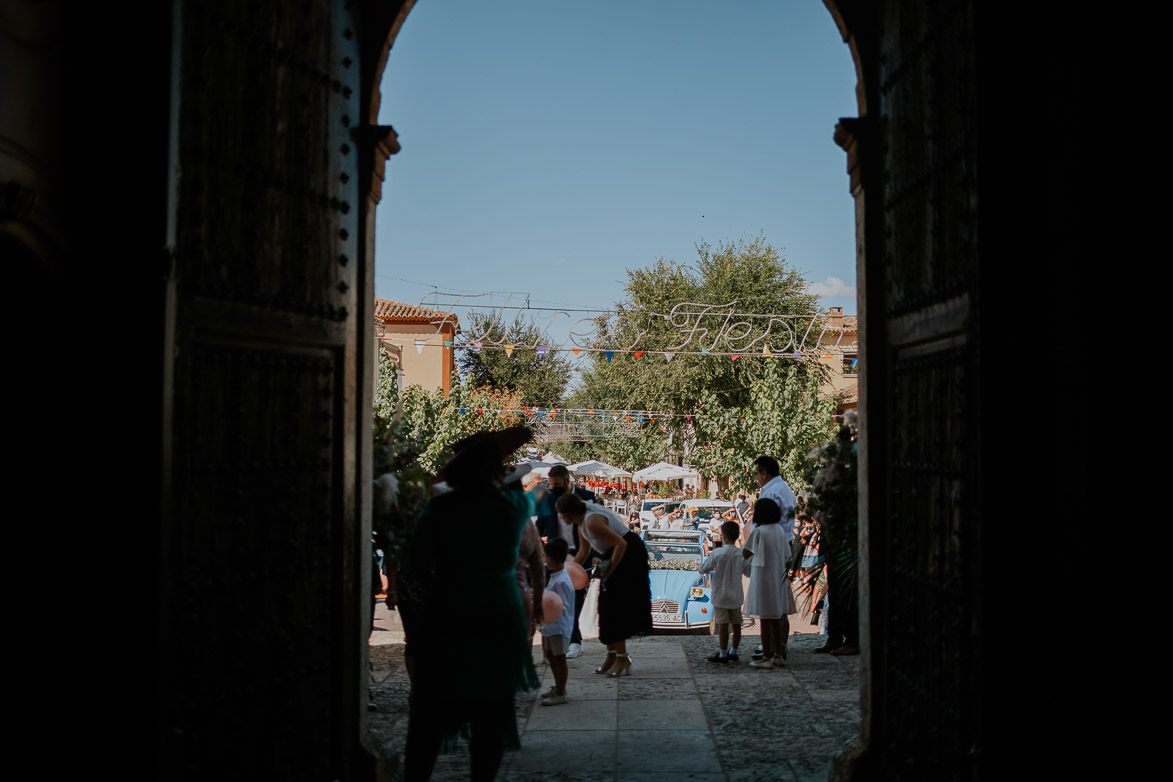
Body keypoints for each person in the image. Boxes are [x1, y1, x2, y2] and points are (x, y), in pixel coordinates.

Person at [404, 427, 540, 782]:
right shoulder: (512, 507)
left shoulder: (440, 508)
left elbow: (415, 565)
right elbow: (524, 490)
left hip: (448, 607)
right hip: (500, 608)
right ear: (495, 470)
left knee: (431, 707)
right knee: (492, 709)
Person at [555, 493, 652, 677]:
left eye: (561, 513)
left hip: (628, 556)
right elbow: (583, 552)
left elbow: (621, 543)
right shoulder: (581, 523)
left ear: (569, 513)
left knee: (614, 608)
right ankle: (612, 655)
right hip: (615, 554)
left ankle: (622, 658)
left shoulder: (592, 521)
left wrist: (610, 570)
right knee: (605, 608)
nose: (559, 517)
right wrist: (567, 573)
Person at [535, 464, 596, 659]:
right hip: (556, 553)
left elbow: (592, 531)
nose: (554, 488)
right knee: (557, 597)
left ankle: (575, 641)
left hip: (580, 552)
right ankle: (560, 641)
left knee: (576, 598)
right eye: (552, 485)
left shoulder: (586, 497)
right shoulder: (548, 499)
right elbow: (540, 526)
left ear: (568, 480)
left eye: (558, 485)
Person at [751, 456, 798, 661]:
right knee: (779, 597)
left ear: (764, 474)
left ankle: (772, 647)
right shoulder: (785, 488)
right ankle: (779, 645)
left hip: (772, 545)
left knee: (771, 600)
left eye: (756, 474)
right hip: (784, 543)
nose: (756, 479)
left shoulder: (771, 491)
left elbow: (765, 521)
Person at [743, 498, 790, 669]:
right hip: (778, 575)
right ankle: (778, 653)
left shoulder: (759, 531)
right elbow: (787, 555)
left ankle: (766, 656)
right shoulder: (779, 530)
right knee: (776, 616)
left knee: (764, 616)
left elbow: (746, 553)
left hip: (763, 576)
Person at [700, 521, 751, 665]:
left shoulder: (717, 553)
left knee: (722, 625)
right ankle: (734, 651)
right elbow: (748, 572)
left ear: (723, 536)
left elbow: (703, 568)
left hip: (721, 595)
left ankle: (723, 653)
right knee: (736, 624)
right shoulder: (740, 554)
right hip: (736, 595)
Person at [538, 538, 574, 706]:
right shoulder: (556, 576)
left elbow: (562, 605)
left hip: (559, 626)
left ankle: (561, 692)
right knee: (552, 655)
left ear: (550, 558)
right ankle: (559, 685)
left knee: (560, 658)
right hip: (551, 625)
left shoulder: (562, 580)